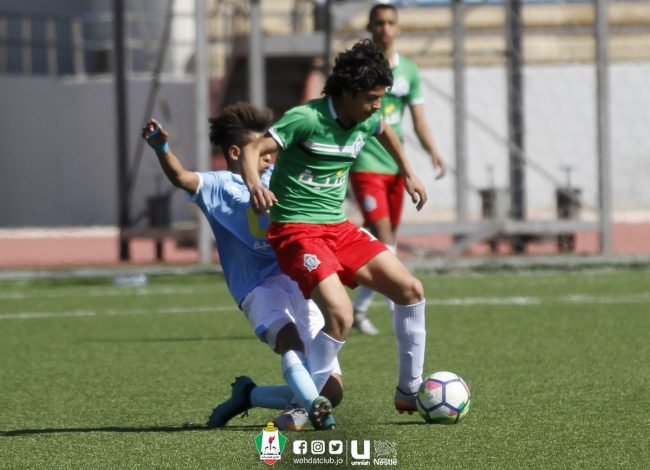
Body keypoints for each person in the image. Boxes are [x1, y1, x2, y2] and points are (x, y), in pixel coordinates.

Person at [240, 39, 428, 414]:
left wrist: (408, 172)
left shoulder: (367, 118)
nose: (377, 106)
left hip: (338, 229)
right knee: (341, 315)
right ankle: (307, 404)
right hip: (297, 231)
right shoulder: (306, 118)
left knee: (410, 290)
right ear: (347, 92)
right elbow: (252, 149)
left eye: (381, 98)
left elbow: (385, 130)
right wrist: (255, 185)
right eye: (371, 98)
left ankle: (409, 392)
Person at [141, 103, 342, 431]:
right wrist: (162, 147)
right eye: (260, 149)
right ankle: (312, 410)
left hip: (298, 280)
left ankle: (249, 395)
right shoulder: (218, 185)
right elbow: (181, 177)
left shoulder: (278, 176)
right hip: (256, 287)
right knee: (290, 341)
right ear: (237, 152)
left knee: (333, 391)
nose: (268, 155)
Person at [349, 2, 447, 335]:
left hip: (394, 164)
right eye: (379, 23)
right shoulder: (358, 69)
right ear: (370, 27)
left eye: (391, 22)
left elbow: (418, 121)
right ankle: (400, 304)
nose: (385, 29)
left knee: (379, 240)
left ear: (398, 28)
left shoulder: (408, 71)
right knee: (386, 238)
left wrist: (433, 151)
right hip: (365, 162)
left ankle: (358, 309)